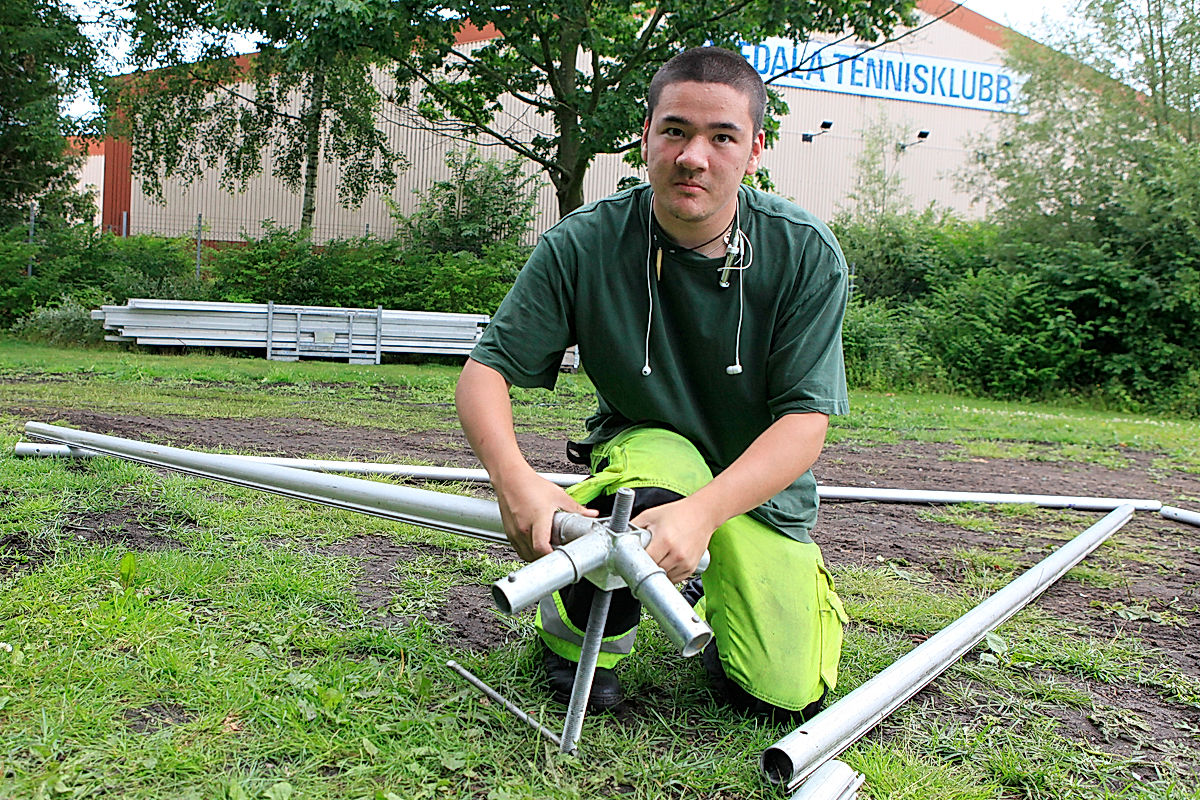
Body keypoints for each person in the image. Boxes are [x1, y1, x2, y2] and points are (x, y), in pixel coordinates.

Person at [455, 46, 849, 720]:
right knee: (653, 478)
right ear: (646, 139)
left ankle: (748, 599)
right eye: (675, 131)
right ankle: (583, 642)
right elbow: (484, 371)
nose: (694, 156)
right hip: (652, 456)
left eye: (721, 137)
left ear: (754, 150)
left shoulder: (805, 253)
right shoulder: (584, 244)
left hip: (756, 488)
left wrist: (704, 514)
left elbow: (805, 424)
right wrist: (514, 480)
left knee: (781, 696)